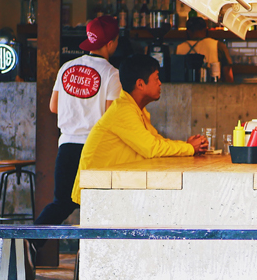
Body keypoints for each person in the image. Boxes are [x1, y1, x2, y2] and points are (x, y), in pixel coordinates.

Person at [29, 15, 122, 279]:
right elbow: (110, 117)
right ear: (112, 43)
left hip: (68, 145)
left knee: (61, 203)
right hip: (94, 148)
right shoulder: (111, 74)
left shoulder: (66, 68)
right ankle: (100, 268)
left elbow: (53, 107)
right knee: (101, 206)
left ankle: (29, 243)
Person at [70, 54, 208, 205]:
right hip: (96, 190)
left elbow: (156, 141)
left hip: (112, 187)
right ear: (140, 84)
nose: (160, 83)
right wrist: (188, 148)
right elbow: (152, 149)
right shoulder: (123, 110)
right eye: (156, 78)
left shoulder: (136, 109)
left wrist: (187, 146)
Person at [176, 16, 234, 82]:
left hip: (185, 90)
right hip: (212, 89)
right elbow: (228, 77)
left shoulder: (179, 48)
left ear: (188, 31)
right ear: (205, 30)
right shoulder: (218, 45)